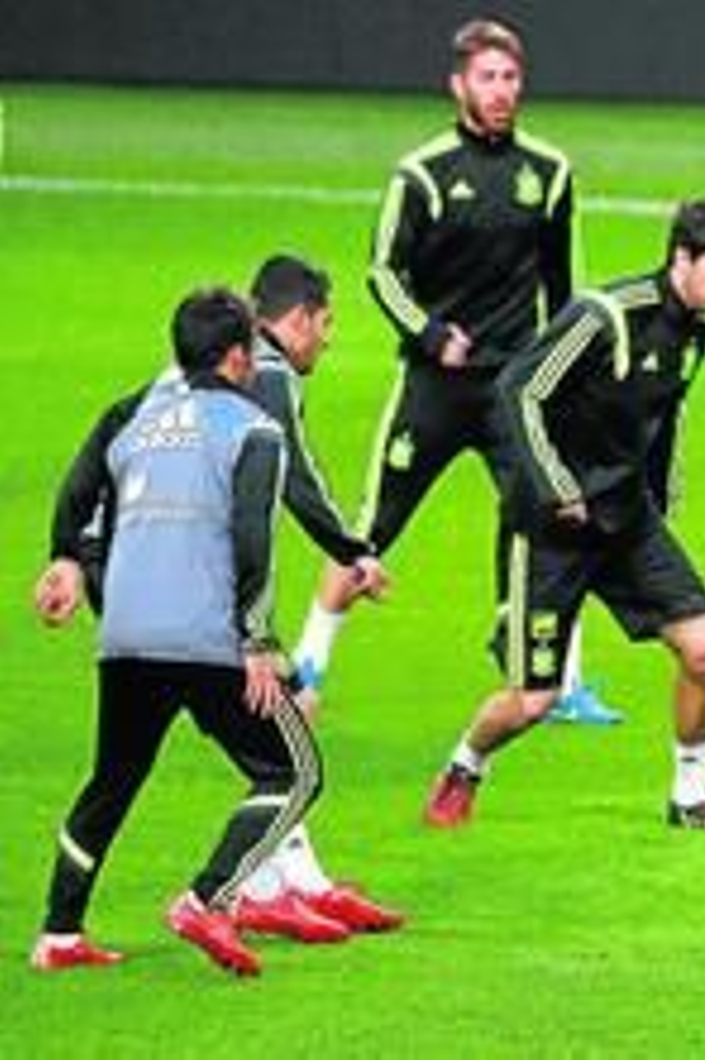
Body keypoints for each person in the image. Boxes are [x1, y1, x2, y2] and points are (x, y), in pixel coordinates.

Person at [290, 17, 621, 726]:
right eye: (488, 78)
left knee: (556, 515)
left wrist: (567, 374)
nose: (501, 92)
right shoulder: (423, 175)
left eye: (510, 78)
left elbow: (564, 287)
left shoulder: (550, 173)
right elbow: (382, 270)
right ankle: (309, 660)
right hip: (435, 389)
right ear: (458, 85)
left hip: (515, 391)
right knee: (372, 525)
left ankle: (560, 677)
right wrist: (430, 332)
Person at [422, 199, 705, 832]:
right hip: (554, 529)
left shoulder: (695, 332)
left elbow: (664, 415)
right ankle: (464, 767)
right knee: (533, 700)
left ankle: (691, 798)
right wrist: (556, 485)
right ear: (681, 257)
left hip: (627, 522)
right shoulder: (603, 316)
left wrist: (661, 500)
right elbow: (518, 390)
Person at [30, 287, 322, 977]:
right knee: (293, 771)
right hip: (207, 638)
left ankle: (59, 933)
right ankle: (206, 897)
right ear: (233, 357)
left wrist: (66, 559)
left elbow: (76, 492)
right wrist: (255, 640)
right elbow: (253, 539)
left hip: (124, 634)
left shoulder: (131, 418)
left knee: (114, 778)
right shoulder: (255, 430)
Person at [232, 255, 405, 941]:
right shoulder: (268, 374)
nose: (329, 339)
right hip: (206, 593)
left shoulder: (222, 367)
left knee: (286, 716)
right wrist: (352, 548)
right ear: (297, 318)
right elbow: (297, 474)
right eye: (326, 322)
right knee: (282, 731)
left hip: (186, 583)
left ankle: (293, 880)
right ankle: (246, 888)